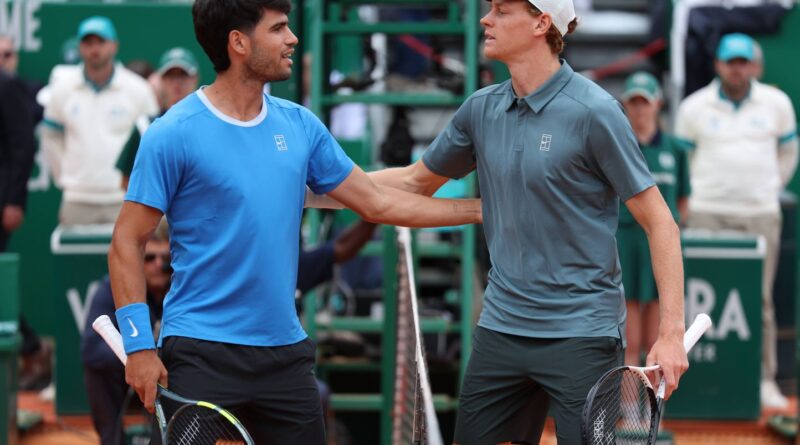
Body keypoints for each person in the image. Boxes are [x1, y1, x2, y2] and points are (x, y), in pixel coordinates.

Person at [107, 2, 481, 445]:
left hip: (284, 357)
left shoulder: (300, 126)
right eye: (278, 28)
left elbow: (378, 200)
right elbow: (126, 241)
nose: (292, 39)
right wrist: (138, 346)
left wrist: (483, 210)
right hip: (201, 352)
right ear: (238, 42)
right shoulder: (172, 133)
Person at [369, 1, 688, 443]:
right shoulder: (480, 110)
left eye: (501, 10)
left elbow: (660, 223)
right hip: (502, 329)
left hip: (582, 334)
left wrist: (671, 332)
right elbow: (413, 182)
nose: (486, 19)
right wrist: (323, 185)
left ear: (541, 23)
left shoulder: (595, 111)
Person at [675, 33, 798, 410]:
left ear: (755, 66)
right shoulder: (694, 107)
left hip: (759, 215)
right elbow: (683, 164)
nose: (737, 69)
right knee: (695, 300)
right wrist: (695, 200)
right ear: (718, 65)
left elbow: (789, 152)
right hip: (705, 212)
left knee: (760, 300)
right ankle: (691, 379)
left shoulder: (777, 103)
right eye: (731, 62)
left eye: (743, 62)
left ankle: (763, 380)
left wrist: (768, 189)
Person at [40, 16, 158, 225]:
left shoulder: (138, 89)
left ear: (114, 45)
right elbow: (50, 135)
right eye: (88, 43)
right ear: (79, 47)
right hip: (76, 198)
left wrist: (134, 184)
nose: (94, 49)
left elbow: (151, 141)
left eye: (101, 42)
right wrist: (65, 176)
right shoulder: (62, 89)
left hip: (124, 199)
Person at [617, 71, 691, 369]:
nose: (639, 109)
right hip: (624, 244)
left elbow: (683, 200)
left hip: (660, 248)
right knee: (629, 339)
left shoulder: (675, 149)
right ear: (625, 105)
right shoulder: (618, 146)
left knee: (658, 338)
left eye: (644, 102)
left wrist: (668, 233)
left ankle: (654, 401)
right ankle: (627, 400)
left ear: (657, 103)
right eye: (633, 102)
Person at [81, 221, 170, 445]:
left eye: (165, 259)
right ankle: (112, 439)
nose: (158, 265)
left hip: (172, 376)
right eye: (150, 258)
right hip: (128, 374)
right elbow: (91, 349)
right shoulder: (113, 288)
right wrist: (137, 358)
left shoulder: (183, 289)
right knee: (98, 371)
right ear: (137, 261)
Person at [117, 47, 201, 190]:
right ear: (160, 80)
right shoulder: (144, 126)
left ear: (195, 79)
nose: (177, 83)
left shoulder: (210, 125)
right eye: (170, 76)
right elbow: (126, 180)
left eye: (183, 76)